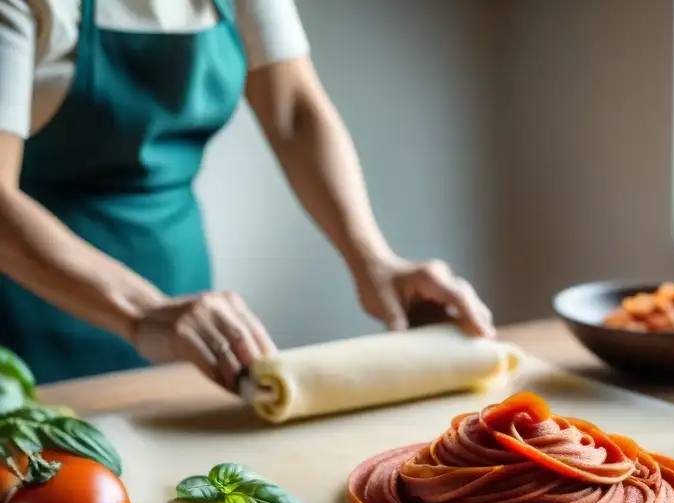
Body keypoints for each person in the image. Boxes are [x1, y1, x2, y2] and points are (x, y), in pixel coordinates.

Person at [0, 0, 495, 391]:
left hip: (181, 294)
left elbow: (293, 112)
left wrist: (373, 259)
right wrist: (143, 312)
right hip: (32, 305)